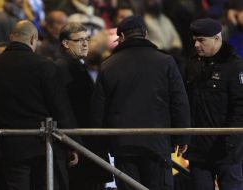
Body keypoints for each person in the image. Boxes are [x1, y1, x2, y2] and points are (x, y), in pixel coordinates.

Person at [90, 15, 191, 190]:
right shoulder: (165, 62)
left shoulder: (108, 66)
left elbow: (98, 109)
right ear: (145, 34)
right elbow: (179, 101)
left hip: (123, 146)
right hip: (157, 145)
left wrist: (100, 146)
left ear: (121, 38)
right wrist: (182, 138)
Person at [0, 20, 78, 190]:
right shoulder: (45, 66)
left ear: (11, 38)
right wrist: (71, 143)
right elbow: (60, 108)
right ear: (33, 39)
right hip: (45, 147)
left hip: (9, 147)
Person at [185, 18, 243, 190]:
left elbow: (241, 108)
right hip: (199, 149)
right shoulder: (193, 64)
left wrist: (232, 141)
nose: (196, 45)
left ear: (217, 39)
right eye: (194, 40)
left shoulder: (235, 67)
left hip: (226, 149)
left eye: (201, 40)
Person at [56, 22, 112, 190]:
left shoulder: (78, 66)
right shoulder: (62, 68)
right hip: (79, 144)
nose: (85, 43)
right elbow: (65, 109)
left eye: (87, 39)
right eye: (79, 40)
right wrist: (72, 144)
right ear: (65, 43)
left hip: (87, 143)